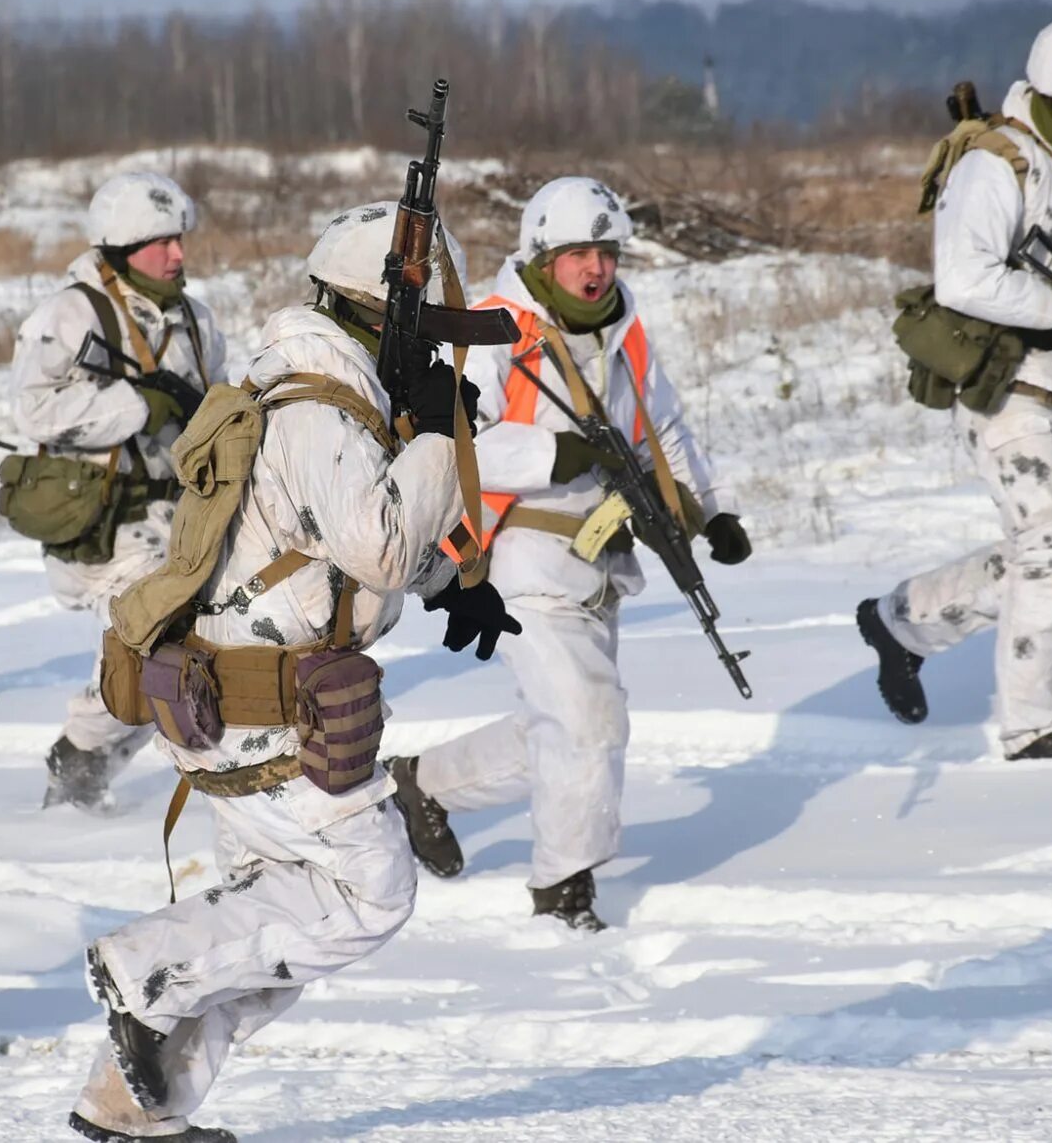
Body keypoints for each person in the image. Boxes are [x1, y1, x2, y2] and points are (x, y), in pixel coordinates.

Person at [67, 202, 516, 1142]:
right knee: (368, 892)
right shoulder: (315, 408)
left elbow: (335, 544)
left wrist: (455, 582)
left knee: (261, 941)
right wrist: (439, 435)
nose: (437, 360)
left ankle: (126, 1107)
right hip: (269, 719)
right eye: (432, 336)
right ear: (382, 317)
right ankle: (141, 966)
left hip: (240, 708)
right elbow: (383, 542)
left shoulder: (309, 393)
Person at [387, 176, 749, 931]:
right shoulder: (490, 326)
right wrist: (550, 452)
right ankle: (562, 886)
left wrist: (707, 511)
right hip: (519, 553)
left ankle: (424, 785)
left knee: (562, 723)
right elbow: (448, 435)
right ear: (542, 255)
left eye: (607, 252)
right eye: (579, 252)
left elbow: (664, 428)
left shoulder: (625, 330)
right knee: (587, 720)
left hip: (599, 557)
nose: (597, 268)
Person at [857, 14, 1052, 761]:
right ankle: (1035, 726)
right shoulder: (998, 164)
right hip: (1006, 387)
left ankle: (901, 622)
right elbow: (964, 277)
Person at [6, 171, 226, 810]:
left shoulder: (195, 319)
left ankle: (84, 763)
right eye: (162, 243)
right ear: (123, 247)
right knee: (168, 642)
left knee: (202, 639)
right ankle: (82, 754)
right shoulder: (68, 314)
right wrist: (136, 405)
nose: (179, 255)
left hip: (178, 517)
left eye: (180, 240)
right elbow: (33, 412)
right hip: (102, 525)